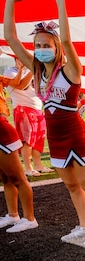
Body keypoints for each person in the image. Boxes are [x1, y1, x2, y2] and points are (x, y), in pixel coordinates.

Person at [4, 0, 85, 246]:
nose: (41, 50)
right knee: (72, 186)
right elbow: (10, 38)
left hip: (75, 133)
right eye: (37, 46)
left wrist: (60, 4)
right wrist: (10, 3)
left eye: (46, 45)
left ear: (57, 48)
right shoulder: (36, 71)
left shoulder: (71, 70)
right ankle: (84, 226)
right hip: (56, 136)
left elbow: (68, 40)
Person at [3, 57, 52, 177]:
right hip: (23, 108)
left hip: (36, 108)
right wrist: (33, 69)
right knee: (27, 140)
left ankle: (38, 165)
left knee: (38, 139)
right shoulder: (10, 72)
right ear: (16, 59)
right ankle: (28, 168)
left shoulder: (29, 71)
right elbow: (21, 86)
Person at [0, 94, 38, 233]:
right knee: (6, 179)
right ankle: (13, 215)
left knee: (19, 179)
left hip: (3, 135)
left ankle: (30, 219)